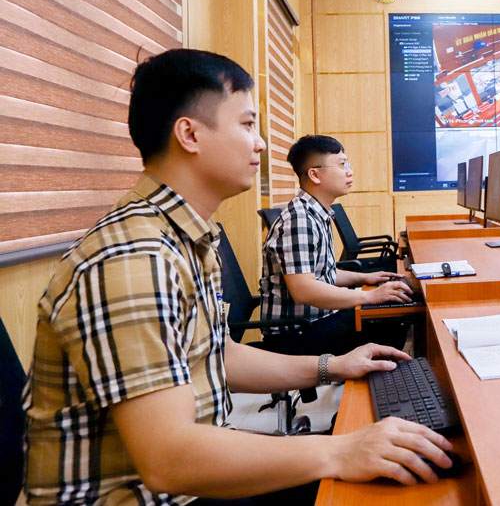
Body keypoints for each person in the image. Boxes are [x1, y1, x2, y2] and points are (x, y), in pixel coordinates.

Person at [22, 49, 452, 506]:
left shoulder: (184, 237)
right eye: (247, 125)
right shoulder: (135, 258)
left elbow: (218, 356)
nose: (260, 144)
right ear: (189, 134)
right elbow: (168, 460)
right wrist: (341, 450)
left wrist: (334, 365)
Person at [259, 135, 412, 356]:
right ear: (315, 175)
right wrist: (369, 296)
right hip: (297, 334)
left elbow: (322, 274)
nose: (349, 172)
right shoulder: (299, 220)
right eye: (342, 165)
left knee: (394, 309)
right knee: (392, 319)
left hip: (316, 322)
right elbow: (304, 290)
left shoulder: (315, 213)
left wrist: (364, 278)